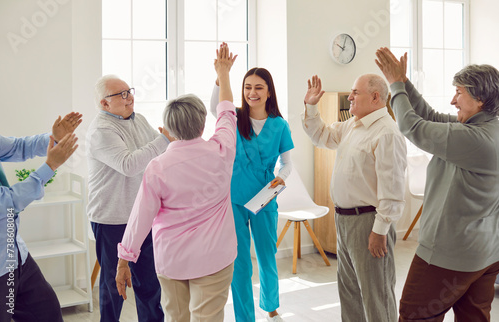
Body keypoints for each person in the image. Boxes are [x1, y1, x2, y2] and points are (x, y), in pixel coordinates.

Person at [115, 42, 237, 322]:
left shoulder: (158, 167)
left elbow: (139, 218)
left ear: (168, 129)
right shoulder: (222, 151)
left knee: (175, 318)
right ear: (203, 123)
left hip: (172, 260)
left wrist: (124, 259)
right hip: (214, 258)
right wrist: (223, 74)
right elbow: (227, 112)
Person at [376, 47, 499, 321]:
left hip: (448, 255)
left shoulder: (474, 139)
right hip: (485, 254)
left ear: (479, 98)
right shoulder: (487, 128)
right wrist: (405, 83)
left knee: (414, 316)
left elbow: (412, 127)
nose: (453, 100)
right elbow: (429, 117)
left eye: (459, 92)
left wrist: (394, 85)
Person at [302, 74, 407, 322]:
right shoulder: (352, 125)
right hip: (344, 221)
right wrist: (311, 106)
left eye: (355, 93)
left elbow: (393, 191)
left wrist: (380, 231)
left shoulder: (387, 133)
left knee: (376, 296)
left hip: (368, 223)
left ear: (375, 97)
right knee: (349, 294)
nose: (349, 97)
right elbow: (320, 136)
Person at [86, 75, 173, 322]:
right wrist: (164, 139)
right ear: (104, 104)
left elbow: (157, 156)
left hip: (142, 217)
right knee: (114, 287)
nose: (129, 97)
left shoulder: (139, 119)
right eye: (121, 94)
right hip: (112, 218)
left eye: (129, 91)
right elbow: (129, 164)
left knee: (149, 285)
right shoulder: (101, 131)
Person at [210, 67, 294, 321]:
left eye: (258, 87)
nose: (252, 93)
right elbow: (215, 105)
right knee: (240, 263)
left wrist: (282, 178)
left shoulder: (279, 125)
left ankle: (271, 305)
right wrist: (220, 77)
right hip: (234, 196)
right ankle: (244, 316)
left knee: (267, 256)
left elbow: (287, 164)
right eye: (247, 87)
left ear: (269, 91)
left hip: (265, 196)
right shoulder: (234, 117)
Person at [0, 112, 81, 321]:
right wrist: (50, 167)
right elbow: (9, 202)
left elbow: (18, 147)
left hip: (17, 258)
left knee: (47, 313)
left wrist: (53, 138)